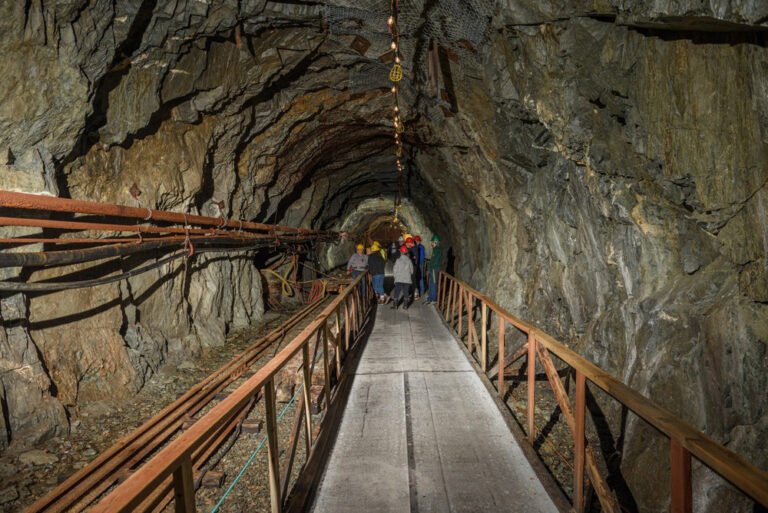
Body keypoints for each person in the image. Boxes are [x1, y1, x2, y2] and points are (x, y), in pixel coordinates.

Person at [391, 245, 413, 310]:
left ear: (400, 252)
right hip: (407, 280)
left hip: (399, 279)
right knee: (406, 292)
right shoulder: (409, 261)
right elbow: (412, 271)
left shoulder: (398, 260)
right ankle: (405, 306)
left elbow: (394, 270)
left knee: (397, 292)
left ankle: (395, 306)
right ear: (406, 252)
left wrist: (395, 278)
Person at [426, 234, 443, 304]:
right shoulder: (435, 250)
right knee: (431, 283)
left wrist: (431, 268)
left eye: (432, 242)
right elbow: (432, 260)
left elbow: (435, 261)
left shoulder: (438, 251)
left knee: (433, 283)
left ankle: (434, 298)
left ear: (436, 242)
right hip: (432, 269)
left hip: (434, 269)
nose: (431, 243)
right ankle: (430, 297)